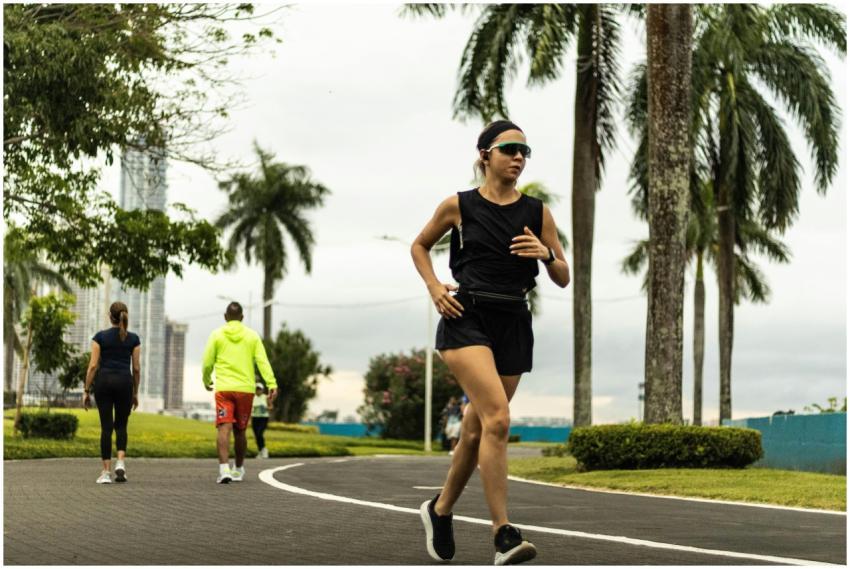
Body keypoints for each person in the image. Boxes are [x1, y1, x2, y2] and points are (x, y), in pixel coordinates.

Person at [411, 120, 570, 565]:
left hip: (514, 319)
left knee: (478, 427)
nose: (518, 157)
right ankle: (503, 533)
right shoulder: (458, 206)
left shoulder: (537, 212)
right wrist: (435, 288)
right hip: (467, 317)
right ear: (485, 155)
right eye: (509, 149)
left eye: (525, 151)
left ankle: (440, 511)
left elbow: (562, 275)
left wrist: (547, 255)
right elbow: (419, 246)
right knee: (498, 418)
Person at [202, 302, 278, 483]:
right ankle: (239, 469)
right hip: (245, 390)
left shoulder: (216, 335)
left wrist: (206, 380)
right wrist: (271, 383)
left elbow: (207, 362)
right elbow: (262, 361)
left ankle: (224, 470)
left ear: (225, 317)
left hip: (224, 389)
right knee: (240, 431)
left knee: (224, 427)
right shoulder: (252, 336)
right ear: (242, 318)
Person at [83, 301, 141, 484]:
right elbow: (137, 368)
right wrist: (135, 392)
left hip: (104, 383)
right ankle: (121, 463)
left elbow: (93, 366)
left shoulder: (99, 337)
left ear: (110, 316)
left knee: (106, 428)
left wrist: (86, 390)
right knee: (121, 426)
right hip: (125, 383)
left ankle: (106, 472)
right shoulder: (133, 339)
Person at [252, 380, 270, 459]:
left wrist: (265, 408)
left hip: (263, 418)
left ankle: (264, 450)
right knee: (256, 435)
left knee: (260, 434)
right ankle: (260, 451)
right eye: (256, 389)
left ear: (262, 390)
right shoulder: (253, 397)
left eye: (259, 389)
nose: (258, 391)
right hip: (255, 417)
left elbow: (271, 407)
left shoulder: (265, 397)